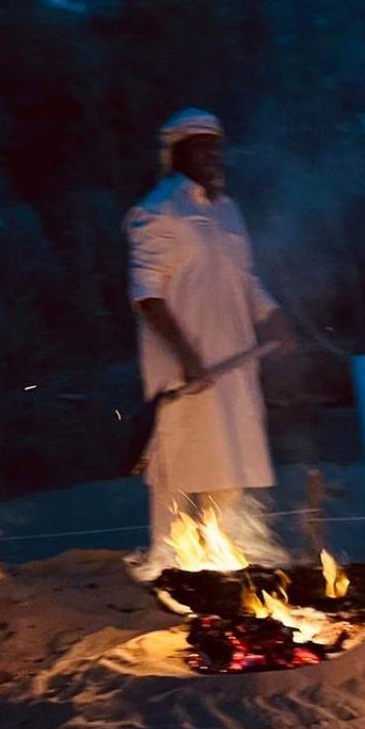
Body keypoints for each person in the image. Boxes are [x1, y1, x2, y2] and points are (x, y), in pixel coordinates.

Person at [125, 109, 292, 575]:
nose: (212, 156)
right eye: (201, 146)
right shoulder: (157, 211)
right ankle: (168, 568)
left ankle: (217, 565)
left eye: (216, 146)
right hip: (183, 370)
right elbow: (147, 294)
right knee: (179, 468)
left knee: (230, 462)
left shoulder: (228, 212)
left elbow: (246, 279)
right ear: (176, 155)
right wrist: (188, 355)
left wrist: (273, 316)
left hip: (234, 363)